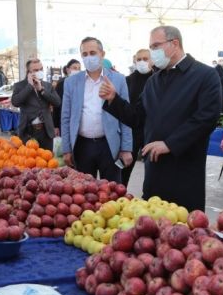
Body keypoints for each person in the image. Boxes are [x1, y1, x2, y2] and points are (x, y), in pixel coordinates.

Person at [99, 26, 222, 211]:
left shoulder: (204, 75)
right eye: (151, 47)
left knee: (184, 222)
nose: (152, 52)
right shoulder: (153, 81)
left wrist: (170, 144)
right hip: (154, 168)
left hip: (185, 168)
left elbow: (206, 118)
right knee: (152, 221)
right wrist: (114, 100)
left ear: (175, 44)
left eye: (156, 46)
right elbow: (137, 118)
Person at [61, 37, 132, 183]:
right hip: (82, 146)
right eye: (85, 54)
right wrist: (66, 149)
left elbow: (126, 116)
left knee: (111, 189)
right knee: (83, 189)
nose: (89, 57)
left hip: (110, 145)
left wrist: (126, 148)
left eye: (92, 53)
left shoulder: (118, 80)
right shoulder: (71, 82)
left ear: (102, 54)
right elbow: (66, 117)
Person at [11, 59, 61, 151]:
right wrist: (29, 86)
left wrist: (42, 90)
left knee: (47, 157)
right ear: (28, 72)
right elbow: (15, 102)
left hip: (46, 131)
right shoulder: (19, 85)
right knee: (29, 157)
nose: (39, 72)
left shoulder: (47, 85)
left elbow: (57, 102)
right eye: (36, 70)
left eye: (41, 69)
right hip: (28, 131)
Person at [121, 49, 153, 186]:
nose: (142, 62)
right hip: (131, 130)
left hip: (151, 131)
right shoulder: (127, 80)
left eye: (145, 59)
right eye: (139, 59)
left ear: (152, 60)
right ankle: (120, 191)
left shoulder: (158, 79)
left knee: (152, 169)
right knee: (123, 168)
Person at [52, 59, 81, 137]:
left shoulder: (81, 83)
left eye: (79, 68)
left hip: (78, 121)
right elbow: (56, 105)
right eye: (74, 68)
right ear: (68, 70)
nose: (77, 70)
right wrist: (56, 125)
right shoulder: (61, 84)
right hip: (64, 120)